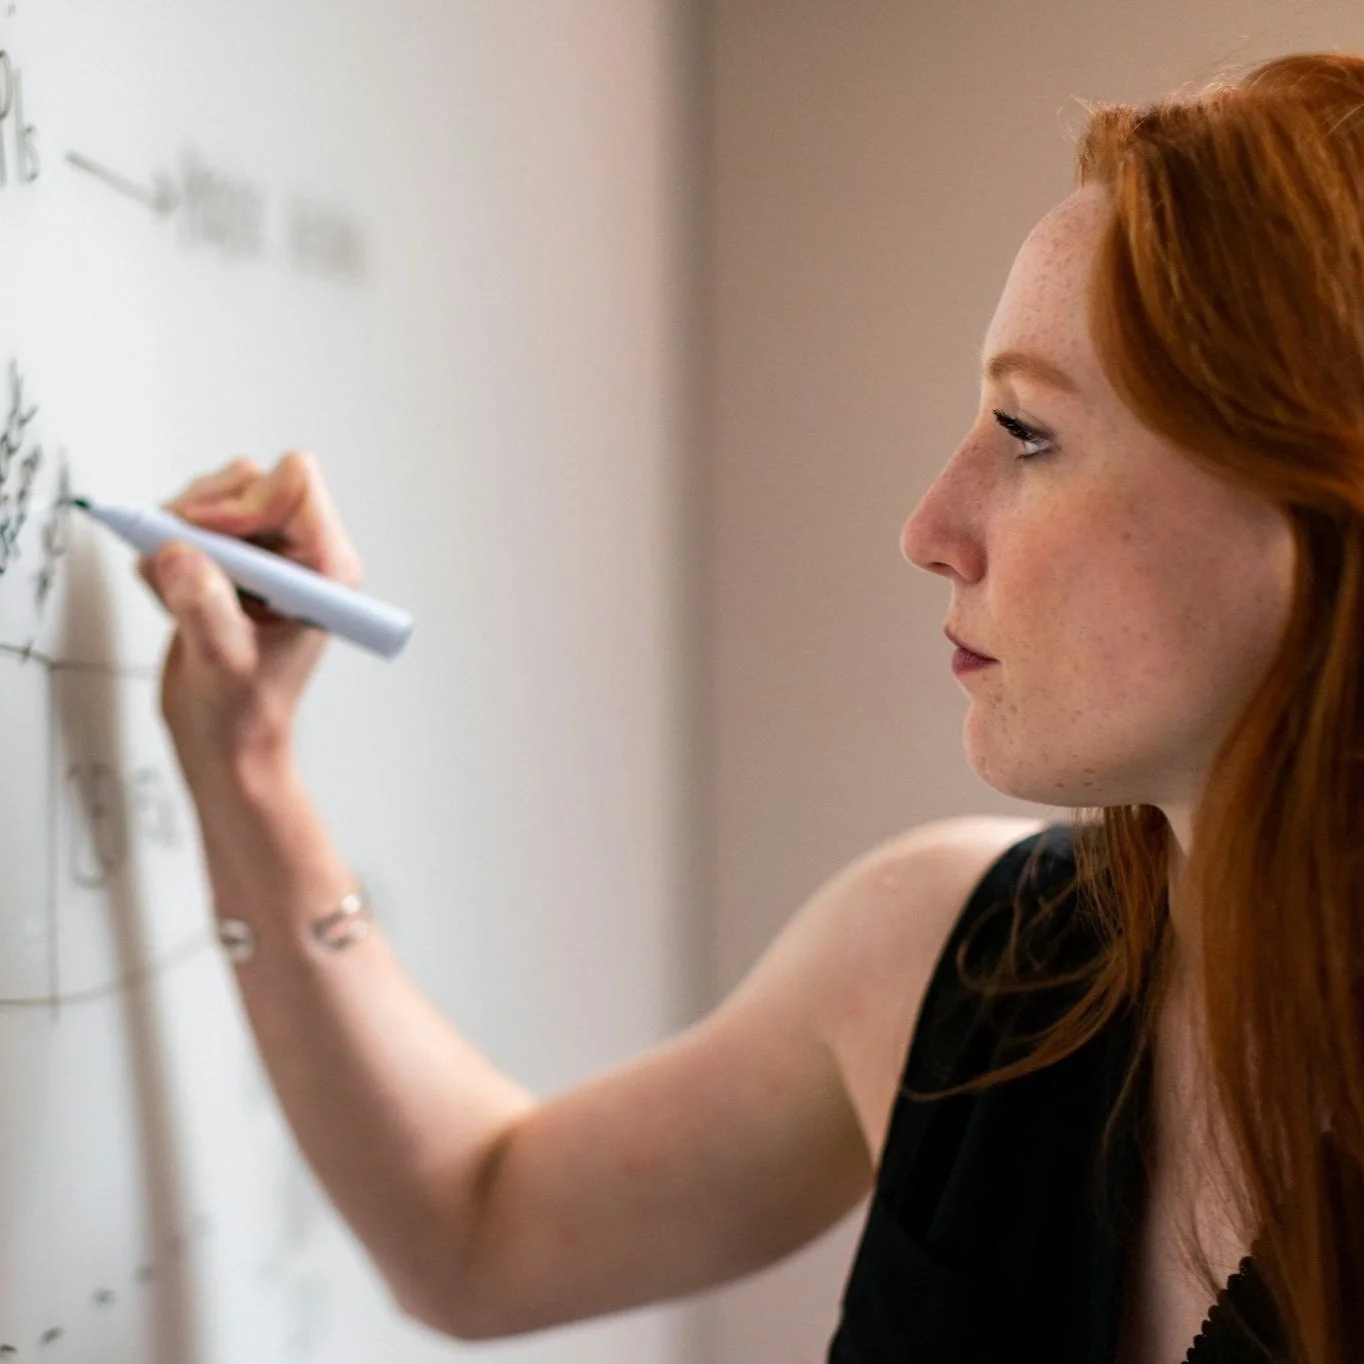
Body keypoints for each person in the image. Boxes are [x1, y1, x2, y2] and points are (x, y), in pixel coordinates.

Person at [136, 49, 1364, 1364]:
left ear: (1310, 499)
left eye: (1027, 433)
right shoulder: (959, 960)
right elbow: (474, 1230)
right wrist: (248, 768)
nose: (929, 529)